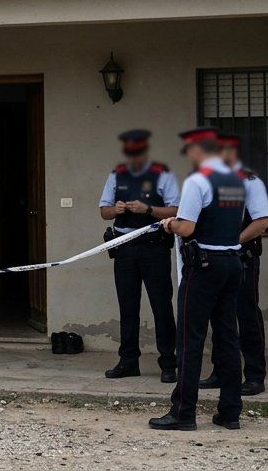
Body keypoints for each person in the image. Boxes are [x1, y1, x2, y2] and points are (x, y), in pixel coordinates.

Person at [149, 126, 246, 431]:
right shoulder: (235, 181)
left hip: (204, 267)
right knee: (228, 338)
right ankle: (230, 411)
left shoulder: (198, 180)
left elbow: (187, 227)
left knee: (190, 340)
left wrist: (168, 225)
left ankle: (183, 412)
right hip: (232, 262)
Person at [98, 129, 179, 382]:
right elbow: (104, 211)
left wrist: (149, 209)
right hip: (124, 246)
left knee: (161, 305)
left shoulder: (163, 175)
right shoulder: (116, 176)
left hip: (154, 246)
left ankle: (168, 363)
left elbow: (176, 210)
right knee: (128, 306)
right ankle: (128, 360)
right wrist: (116, 209)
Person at [198, 132, 268, 396]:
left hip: (242, 258)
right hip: (214, 259)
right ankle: (222, 371)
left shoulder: (249, 182)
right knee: (219, 316)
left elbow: (262, 221)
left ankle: (254, 375)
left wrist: (233, 243)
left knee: (246, 313)